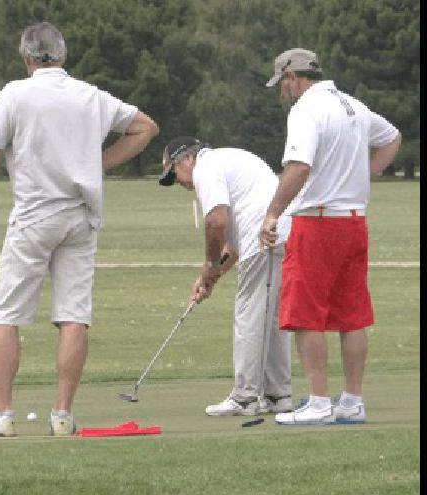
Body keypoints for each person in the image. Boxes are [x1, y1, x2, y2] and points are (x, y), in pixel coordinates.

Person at [0, 22, 159, 437]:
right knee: (73, 316)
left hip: (34, 216)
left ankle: (1, 415)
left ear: (26, 56)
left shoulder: (15, 93)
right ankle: (62, 417)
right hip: (81, 217)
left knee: (5, 315)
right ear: (62, 55)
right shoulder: (90, 95)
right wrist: (95, 167)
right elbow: (146, 128)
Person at [257, 48, 402, 425]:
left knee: (306, 315)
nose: (282, 92)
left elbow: (298, 167)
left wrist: (272, 212)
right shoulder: (352, 104)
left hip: (318, 223)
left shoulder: (307, 109)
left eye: (282, 84)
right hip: (354, 222)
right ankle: (352, 401)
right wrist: (361, 177)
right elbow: (392, 139)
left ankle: (319, 403)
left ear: (292, 76)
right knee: (352, 316)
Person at [158, 137, 296, 416]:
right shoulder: (227, 161)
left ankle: (245, 397)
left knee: (249, 314)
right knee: (270, 317)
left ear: (186, 159)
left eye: (174, 173)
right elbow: (231, 249)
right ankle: (277, 395)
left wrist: (209, 264)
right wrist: (210, 276)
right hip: (282, 236)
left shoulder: (206, 168)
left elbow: (216, 221)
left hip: (264, 238)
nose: (179, 183)